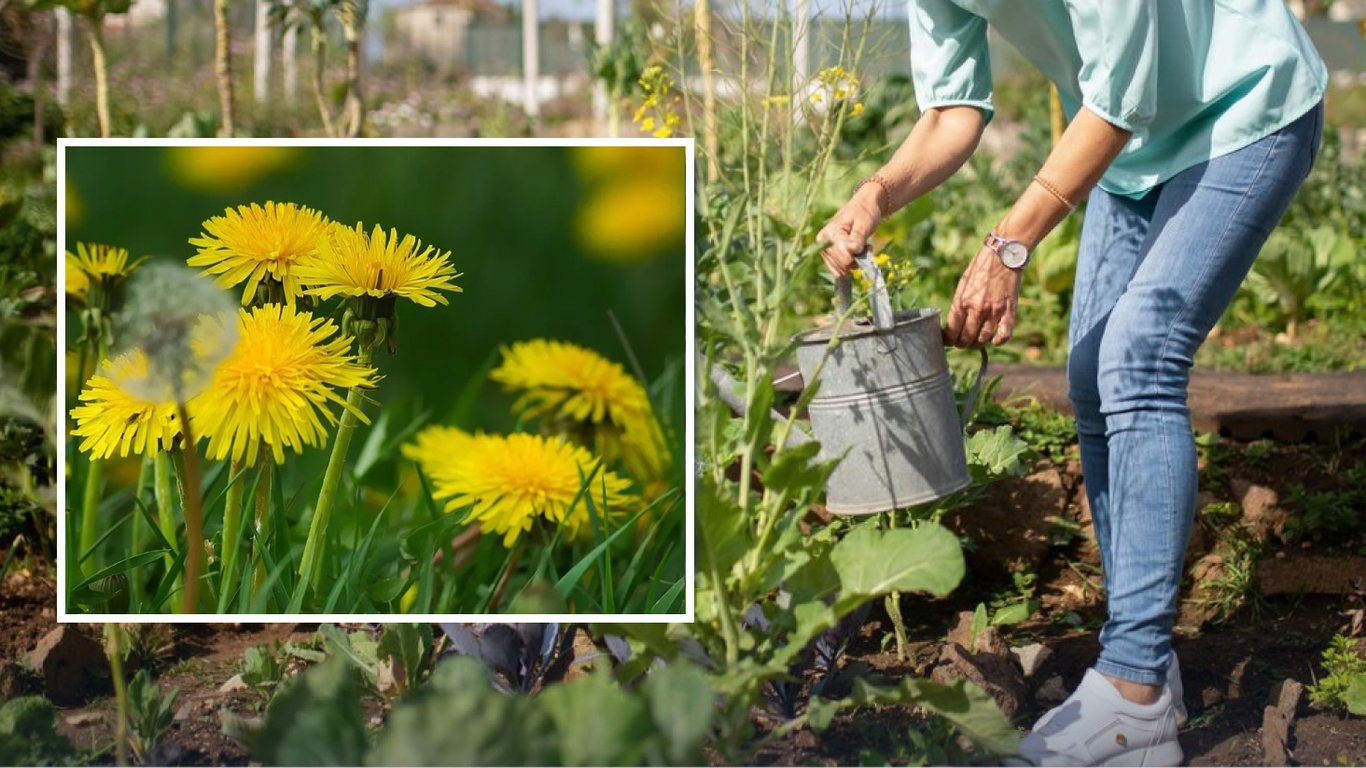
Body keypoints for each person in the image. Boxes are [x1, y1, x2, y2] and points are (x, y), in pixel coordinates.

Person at [817, 2, 1326, 765]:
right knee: (1091, 380)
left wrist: (1008, 244)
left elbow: (1122, 94)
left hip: (1244, 106)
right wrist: (875, 193)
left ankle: (1132, 687)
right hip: (1131, 150)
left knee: (1140, 358)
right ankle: (1143, 667)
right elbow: (952, 110)